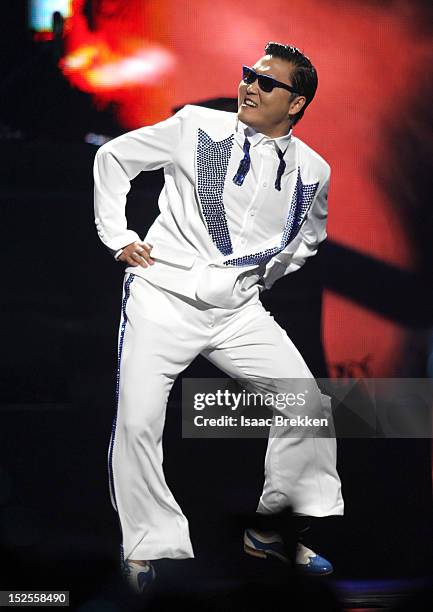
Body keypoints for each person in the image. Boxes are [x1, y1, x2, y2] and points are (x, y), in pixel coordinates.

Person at [93, 41, 344, 594]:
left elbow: (309, 239)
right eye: (248, 75)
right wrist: (120, 238)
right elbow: (113, 158)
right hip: (162, 296)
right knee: (137, 421)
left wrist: (259, 278)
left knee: (304, 401)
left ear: (296, 103)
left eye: (266, 82)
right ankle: (145, 548)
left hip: (237, 310)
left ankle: (273, 532)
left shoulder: (314, 170)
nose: (250, 87)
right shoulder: (195, 127)